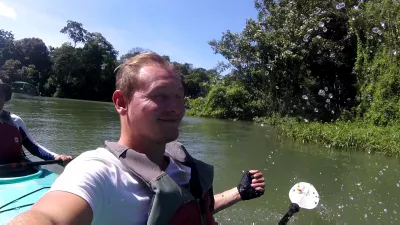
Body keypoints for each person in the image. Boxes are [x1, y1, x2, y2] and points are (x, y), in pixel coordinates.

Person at [9, 52, 266, 225]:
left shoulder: (182, 167)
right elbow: (46, 216)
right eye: (160, 96)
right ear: (121, 102)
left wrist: (239, 193)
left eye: (179, 97)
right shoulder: (99, 171)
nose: (176, 108)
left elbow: (192, 208)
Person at [0, 79, 72, 165]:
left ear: (4, 98)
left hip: (20, 170)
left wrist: (56, 157)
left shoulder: (16, 121)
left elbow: (34, 147)